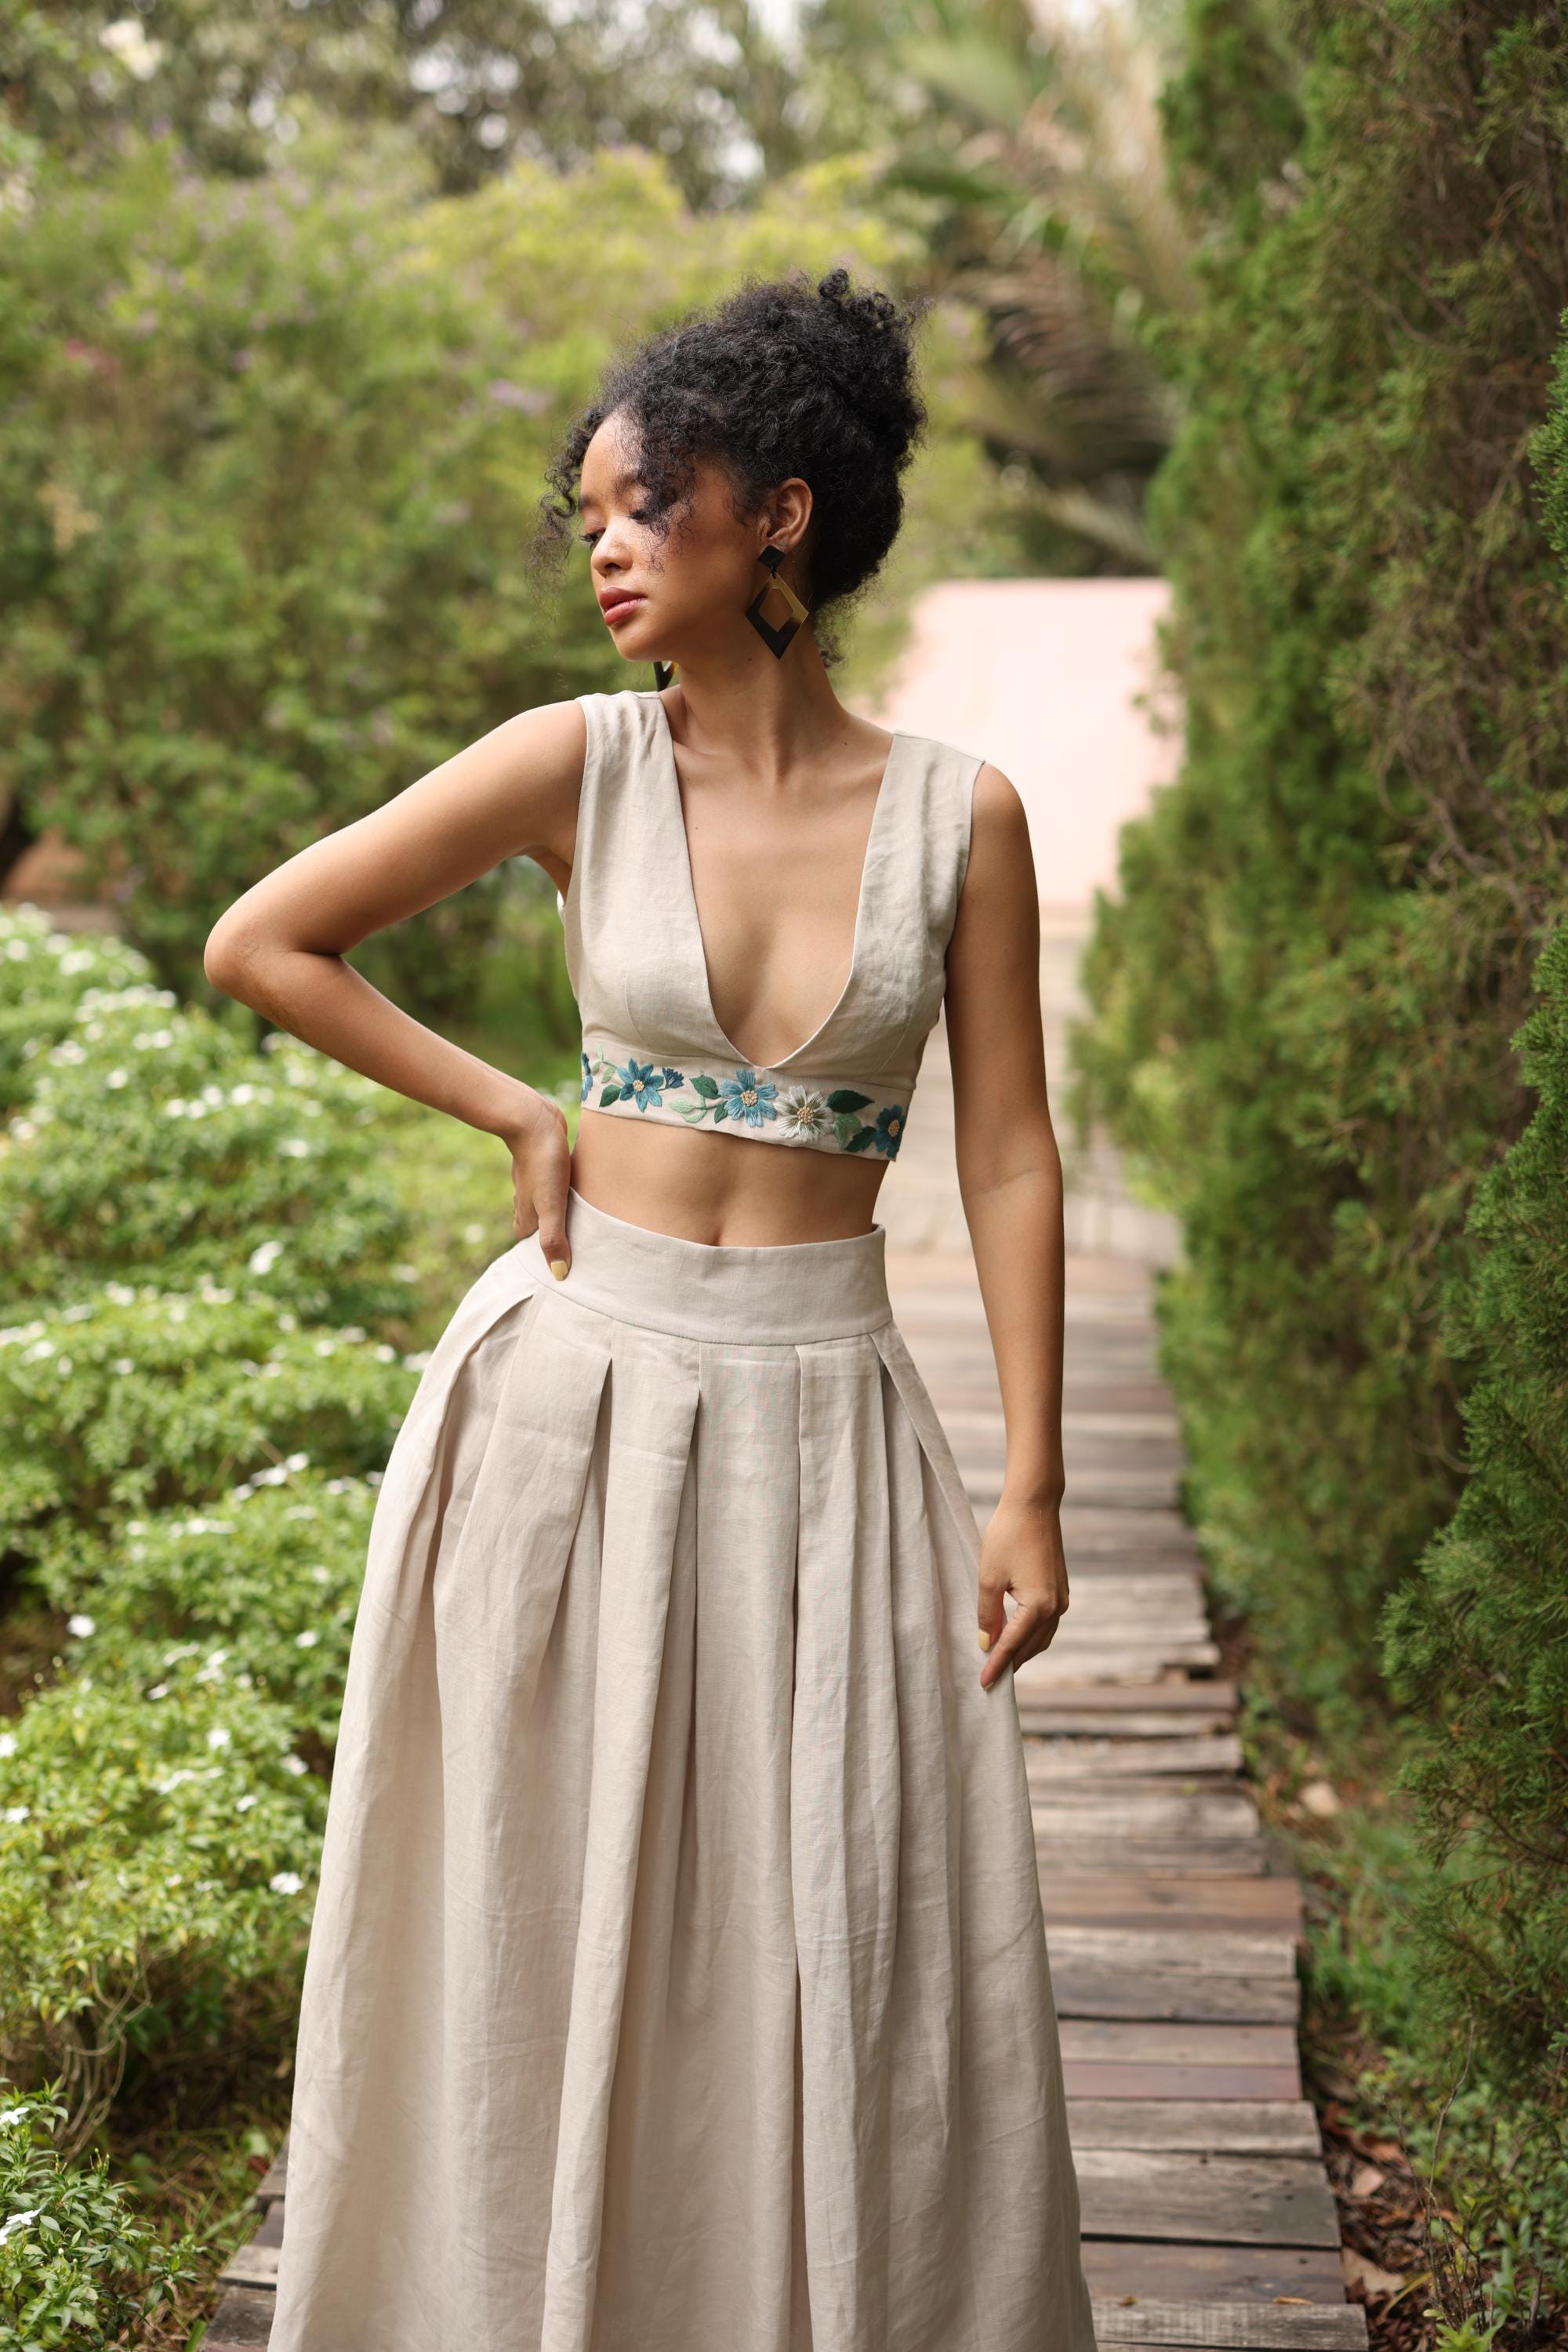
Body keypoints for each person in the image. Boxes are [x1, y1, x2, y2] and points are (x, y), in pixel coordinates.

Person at [205, 264, 1097, 2352]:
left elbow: (1011, 1155)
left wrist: (1034, 1486)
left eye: (642, 500)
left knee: (840, 1924)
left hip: (824, 1411)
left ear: (778, 513)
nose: (603, 544)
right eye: (589, 512)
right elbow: (272, 941)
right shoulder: (570, 766)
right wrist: (517, 1104)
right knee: (530, 1903)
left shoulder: (963, 816)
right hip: (568, 1400)